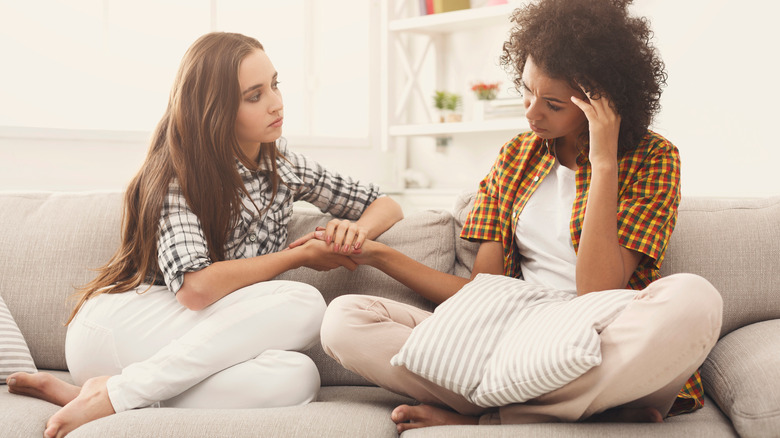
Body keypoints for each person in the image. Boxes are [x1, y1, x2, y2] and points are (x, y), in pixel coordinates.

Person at [317, 0, 722, 432]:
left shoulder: (652, 158)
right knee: (344, 319)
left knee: (696, 299)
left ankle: (491, 415)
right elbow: (482, 295)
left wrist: (604, 161)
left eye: (552, 103)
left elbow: (597, 291)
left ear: (599, 102)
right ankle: (577, 406)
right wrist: (379, 255)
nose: (531, 112)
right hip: (514, 333)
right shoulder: (516, 156)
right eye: (527, 90)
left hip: (602, 331)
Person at [5, 32, 403, 438]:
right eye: (254, 95)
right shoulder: (175, 175)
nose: (276, 102)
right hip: (119, 328)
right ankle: (115, 395)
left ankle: (103, 393)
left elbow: (386, 204)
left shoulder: (285, 166)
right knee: (304, 302)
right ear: (215, 109)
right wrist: (298, 256)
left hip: (177, 346)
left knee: (298, 377)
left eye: (275, 84)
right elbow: (195, 291)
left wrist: (355, 231)